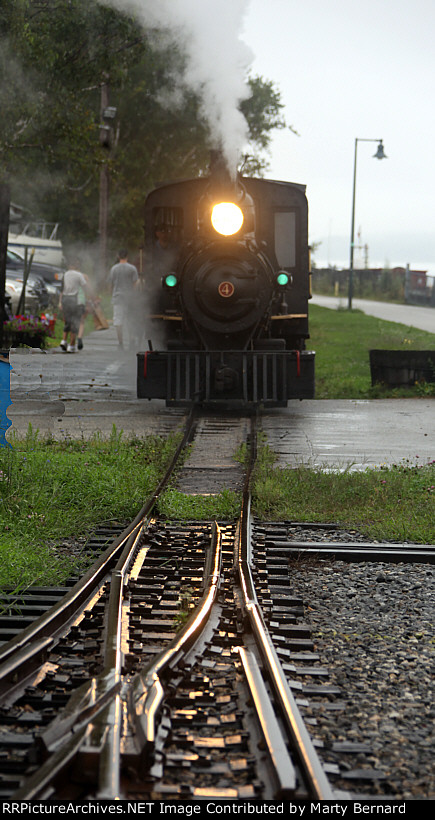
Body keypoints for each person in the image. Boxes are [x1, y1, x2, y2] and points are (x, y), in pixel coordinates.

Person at [59, 258, 92, 353]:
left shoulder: (65, 274)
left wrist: (60, 302)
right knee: (75, 322)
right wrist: (89, 298)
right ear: (76, 266)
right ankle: (71, 345)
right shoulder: (79, 275)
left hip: (65, 299)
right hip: (74, 299)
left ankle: (63, 340)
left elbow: (61, 289)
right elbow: (85, 286)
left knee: (67, 321)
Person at [108, 249, 139, 348]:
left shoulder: (114, 269)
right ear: (127, 256)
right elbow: (135, 284)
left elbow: (111, 284)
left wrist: (111, 294)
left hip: (117, 297)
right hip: (129, 297)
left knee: (118, 321)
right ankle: (131, 340)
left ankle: (120, 343)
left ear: (118, 256)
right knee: (130, 319)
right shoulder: (132, 268)